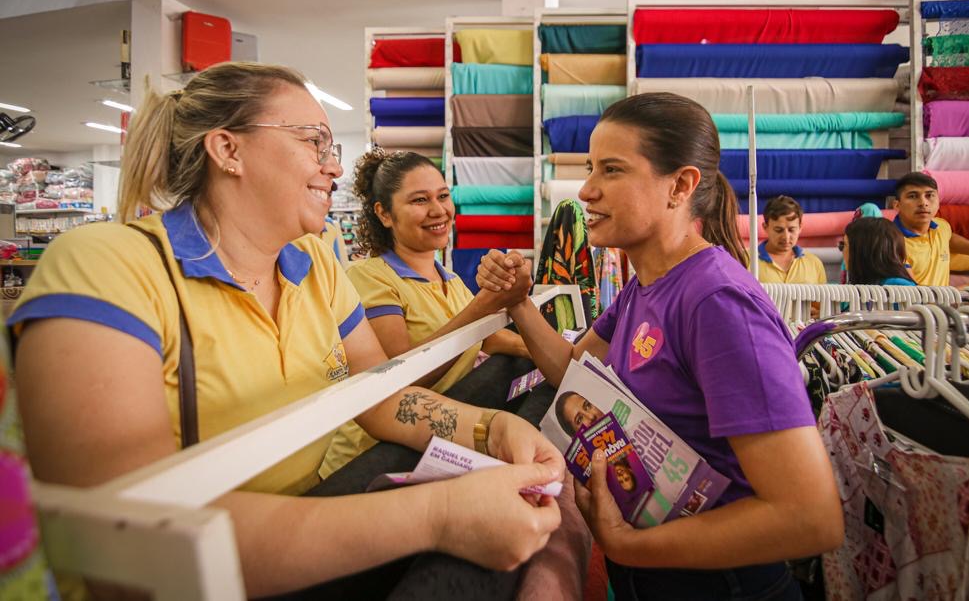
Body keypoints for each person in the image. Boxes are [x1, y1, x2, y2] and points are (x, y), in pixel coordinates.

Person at [9, 62, 563, 598]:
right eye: (313, 142)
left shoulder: (315, 264)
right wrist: (437, 517)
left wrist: (492, 430)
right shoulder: (107, 266)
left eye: (331, 147)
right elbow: (130, 541)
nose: (334, 168)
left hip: (310, 528)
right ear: (228, 150)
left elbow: (380, 395)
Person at [478, 93, 843, 600]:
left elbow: (810, 517)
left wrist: (628, 545)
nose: (586, 190)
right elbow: (573, 372)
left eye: (611, 170)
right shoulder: (643, 287)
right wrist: (518, 302)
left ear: (680, 186)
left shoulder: (717, 304)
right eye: (590, 168)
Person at [319, 148, 532, 475]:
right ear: (385, 214)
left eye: (443, 196)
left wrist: (549, 350)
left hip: (427, 446)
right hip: (372, 460)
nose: (438, 210)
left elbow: (484, 339)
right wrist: (483, 306)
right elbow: (399, 379)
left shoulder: (451, 279)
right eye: (420, 200)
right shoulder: (370, 277)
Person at [891, 171, 969, 285]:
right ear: (897, 205)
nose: (923, 202)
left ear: (939, 201)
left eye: (929, 195)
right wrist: (968, 290)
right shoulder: (892, 245)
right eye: (912, 196)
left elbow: (949, 239)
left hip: (944, 300)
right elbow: (911, 294)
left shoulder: (940, 226)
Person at [754, 195, 826, 284]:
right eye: (778, 230)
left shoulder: (814, 264)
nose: (786, 237)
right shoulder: (746, 261)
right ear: (765, 227)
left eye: (791, 230)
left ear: (800, 227)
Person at [841, 217, 916, 286]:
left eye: (844, 245)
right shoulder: (863, 284)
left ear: (863, 252)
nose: (842, 251)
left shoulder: (898, 286)